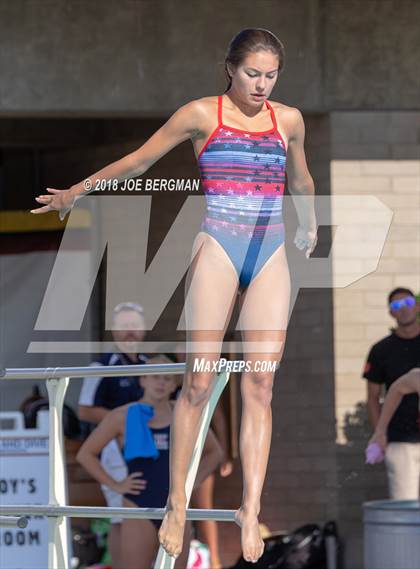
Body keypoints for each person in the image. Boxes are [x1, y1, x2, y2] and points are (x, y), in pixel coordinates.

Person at [30, 28, 317, 563]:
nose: (261, 84)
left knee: (260, 384)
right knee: (199, 380)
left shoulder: (291, 120)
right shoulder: (200, 115)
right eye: (252, 72)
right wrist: (76, 191)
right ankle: (177, 503)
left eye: (270, 75)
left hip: (271, 247)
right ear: (229, 67)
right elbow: (140, 163)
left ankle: (249, 508)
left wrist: (311, 224)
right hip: (219, 245)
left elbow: (301, 180)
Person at [76, 355, 224, 569]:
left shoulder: (184, 415)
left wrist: (192, 483)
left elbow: (214, 452)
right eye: (155, 377)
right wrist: (116, 485)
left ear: (175, 384)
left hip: (176, 505)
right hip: (138, 505)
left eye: (167, 378)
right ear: (143, 380)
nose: (161, 383)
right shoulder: (123, 415)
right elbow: (86, 454)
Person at [78, 302, 149, 567]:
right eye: (124, 326)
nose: (130, 332)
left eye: (135, 326)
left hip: (144, 448)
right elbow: (85, 411)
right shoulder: (102, 365)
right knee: (121, 515)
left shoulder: (148, 365)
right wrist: (122, 424)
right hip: (111, 449)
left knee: (138, 512)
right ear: (113, 330)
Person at [363, 287, 420, 499]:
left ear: (417, 306)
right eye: (396, 306)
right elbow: (376, 397)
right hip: (400, 441)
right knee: (406, 509)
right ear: (391, 313)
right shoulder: (381, 351)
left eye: (407, 303)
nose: (403, 309)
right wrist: (380, 433)